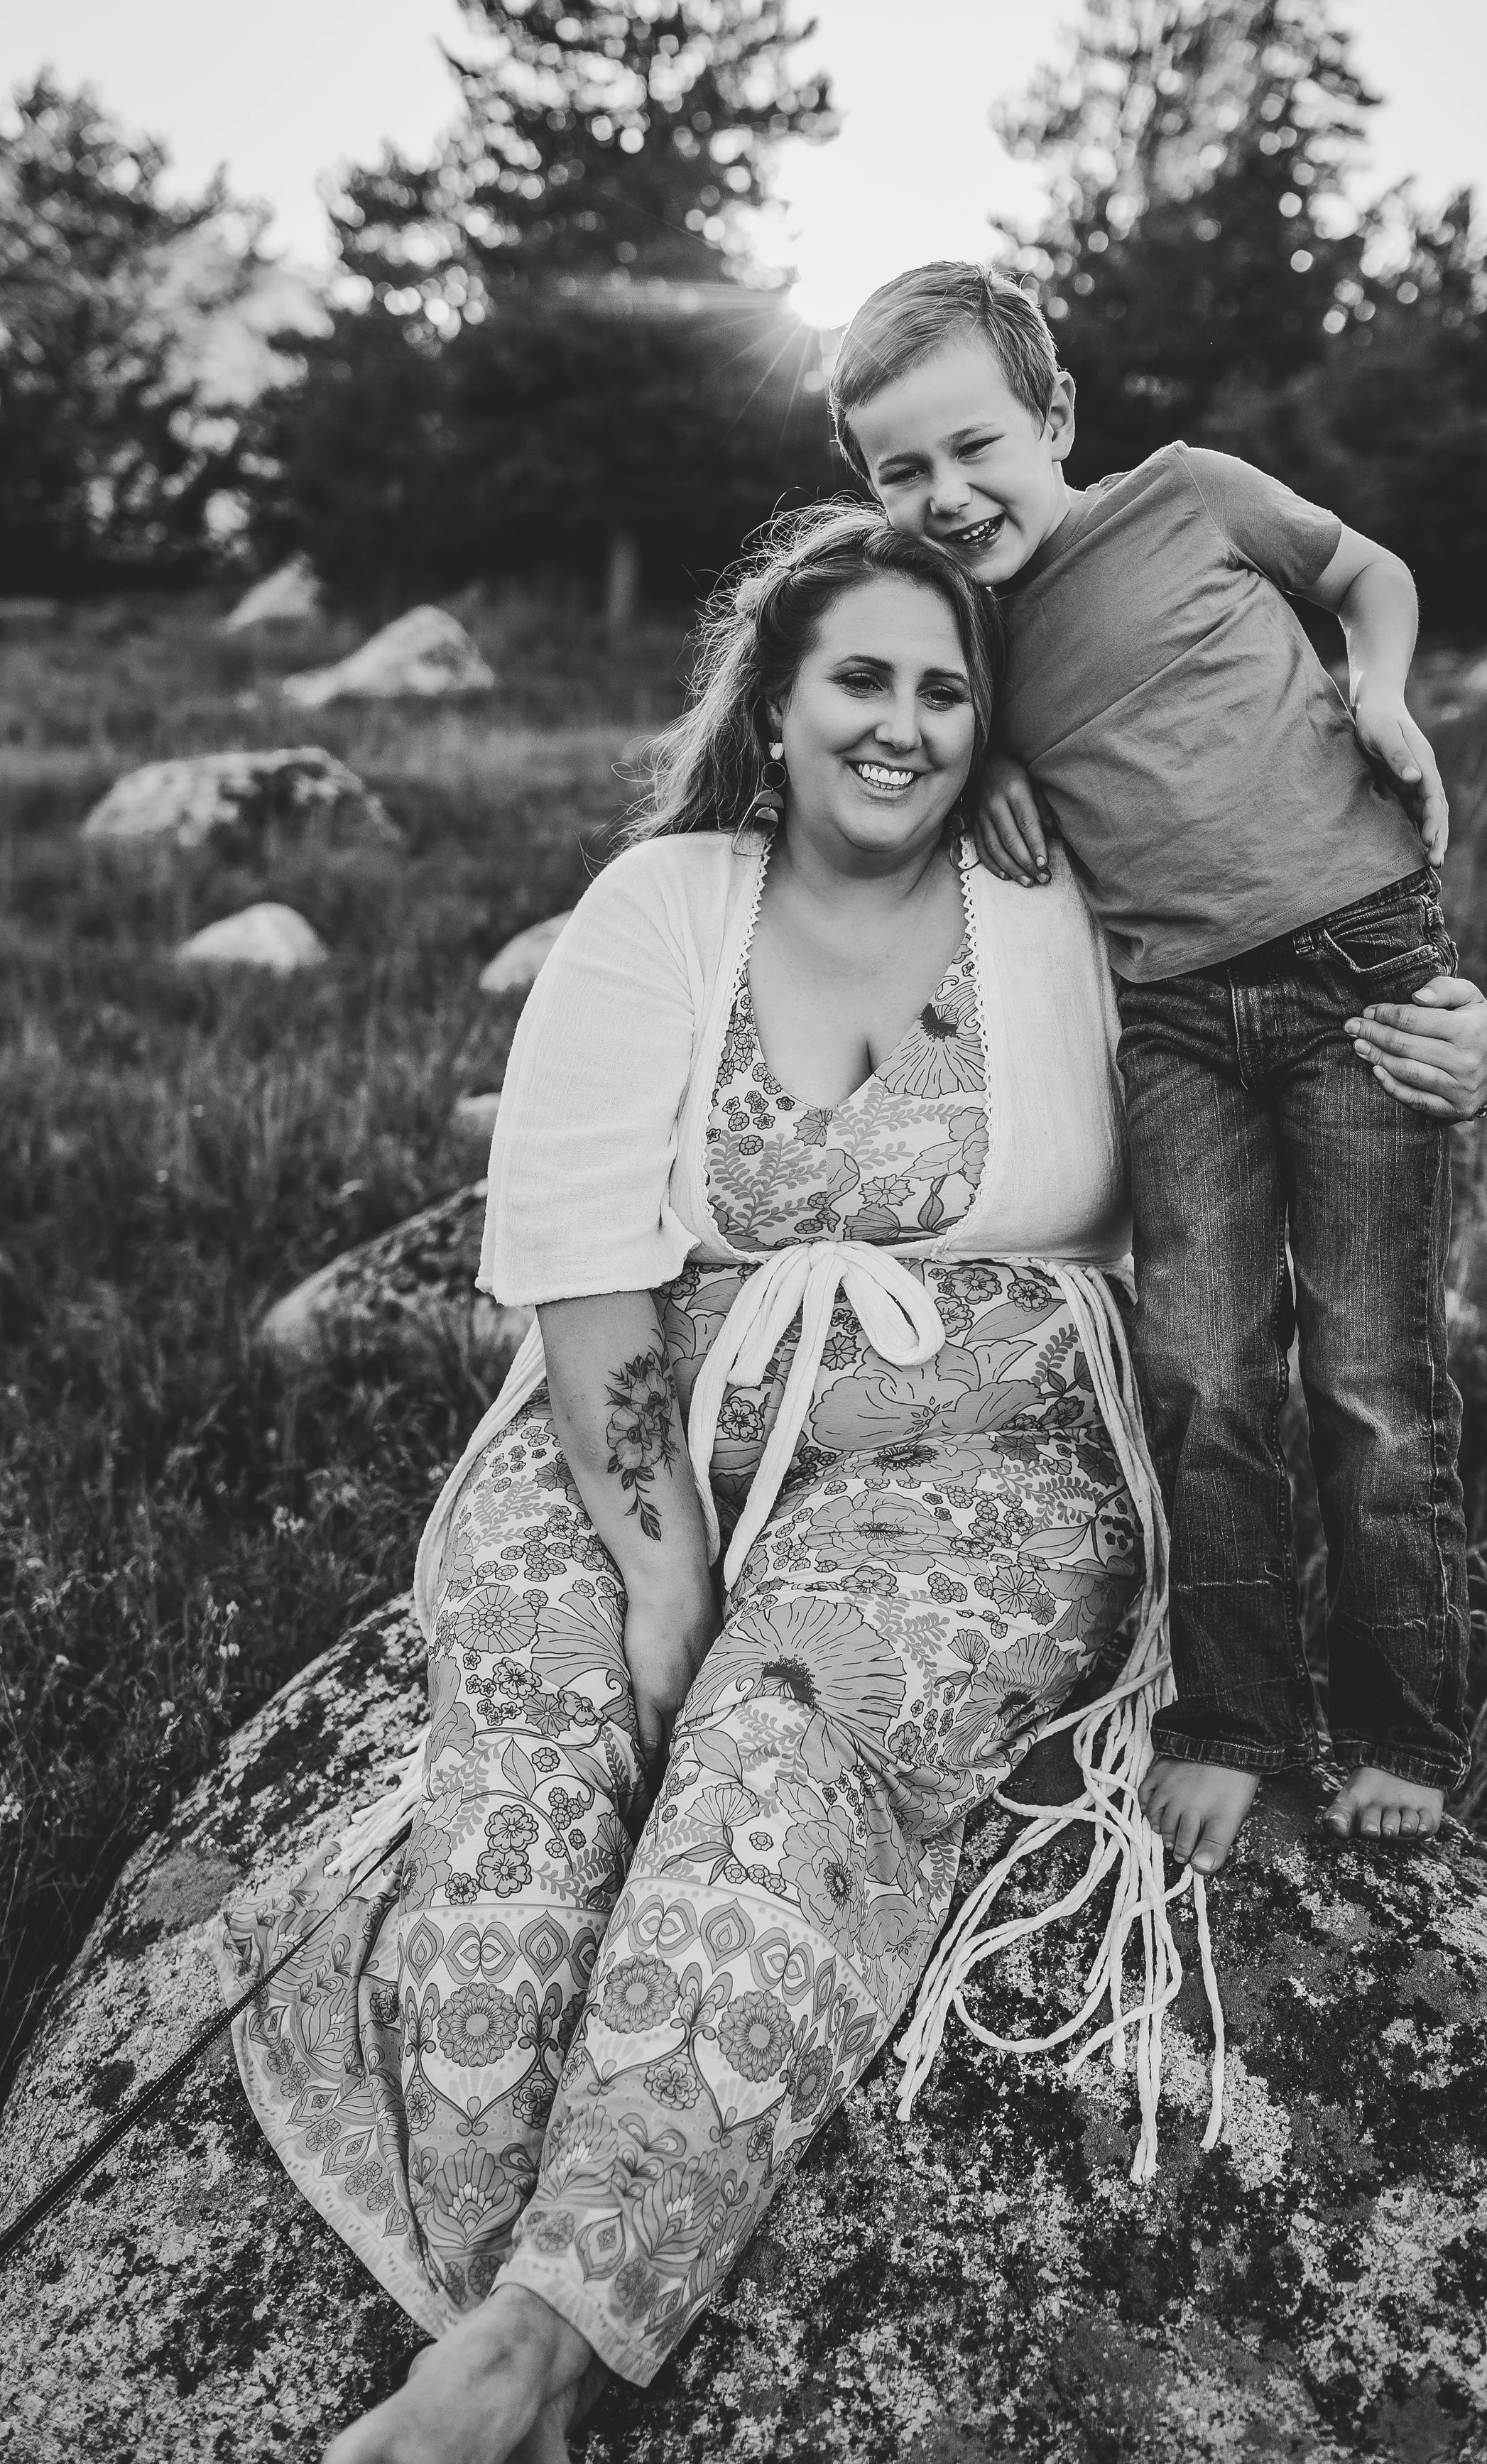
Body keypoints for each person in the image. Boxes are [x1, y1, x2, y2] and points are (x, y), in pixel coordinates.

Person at [219, 506, 1190, 2464]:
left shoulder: (1052, 897)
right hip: (655, 1435)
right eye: (862, 677)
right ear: (776, 700)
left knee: (774, 1742)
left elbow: (1273, 995)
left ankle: (543, 2339)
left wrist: (1429, 1022)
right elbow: (584, 1260)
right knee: (545, 1736)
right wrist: (662, 1570)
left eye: (944, 685)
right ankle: (497, 2270)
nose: (902, 723)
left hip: (971, 1463)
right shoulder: (668, 900)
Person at [829, 263, 1487, 1891]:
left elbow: (1370, 571)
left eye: (972, 447)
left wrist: (1377, 683)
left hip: (1357, 963)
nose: (943, 495)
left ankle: (1407, 1725)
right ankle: (1235, 1716)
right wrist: (989, 757)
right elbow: (943, 715)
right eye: (896, 472)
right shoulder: (962, 634)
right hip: (1182, 1018)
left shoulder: (1191, 495)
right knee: (1202, 1367)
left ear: (1055, 416)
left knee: (1368, 1372)